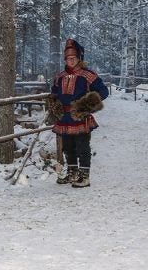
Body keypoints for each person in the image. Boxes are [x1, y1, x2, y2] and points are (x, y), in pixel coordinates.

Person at [47, 38, 109, 188]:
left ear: (79, 58)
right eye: (68, 58)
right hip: (64, 118)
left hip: (80, 118)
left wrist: (85, 106)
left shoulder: (87, 75)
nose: (71, 61)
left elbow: (103, 92)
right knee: (67, 147)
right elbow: (54, 94)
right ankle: (72, 173)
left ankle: (84, 176)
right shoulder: (59, 77)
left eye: (73, 58)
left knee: (82, 146)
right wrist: (54, 106)